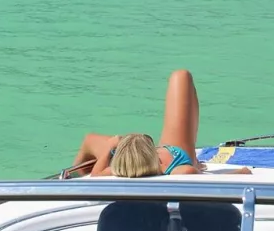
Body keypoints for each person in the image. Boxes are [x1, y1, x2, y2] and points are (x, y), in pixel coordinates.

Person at [69, 69, 241, 178]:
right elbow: (206, 179)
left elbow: (96, 176)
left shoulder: (119, 169)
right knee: (181, 76)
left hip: (131, 161)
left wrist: (109, 148)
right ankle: (78, 171)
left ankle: (73, 174)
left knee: (90, 139)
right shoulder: (178, 169)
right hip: (176, 152)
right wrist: (238, 173)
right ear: (153, 154)